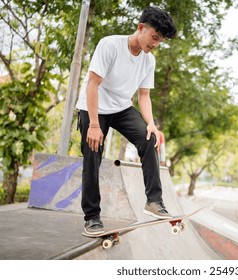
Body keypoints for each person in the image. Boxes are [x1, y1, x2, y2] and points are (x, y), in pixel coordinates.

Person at [75, 6, 177, 236]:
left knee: (149, 139)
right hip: (93, 107)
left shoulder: (148, 61)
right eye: (154, 37)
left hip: (122, 108)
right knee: (92, 156)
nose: (155, 44)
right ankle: (91, 217)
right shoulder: (110, 45)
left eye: (160, 41)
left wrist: (150, 123)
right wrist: (93, 124)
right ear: (141, 28)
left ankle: (153, 200)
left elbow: (144, 95)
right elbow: (92, 84)